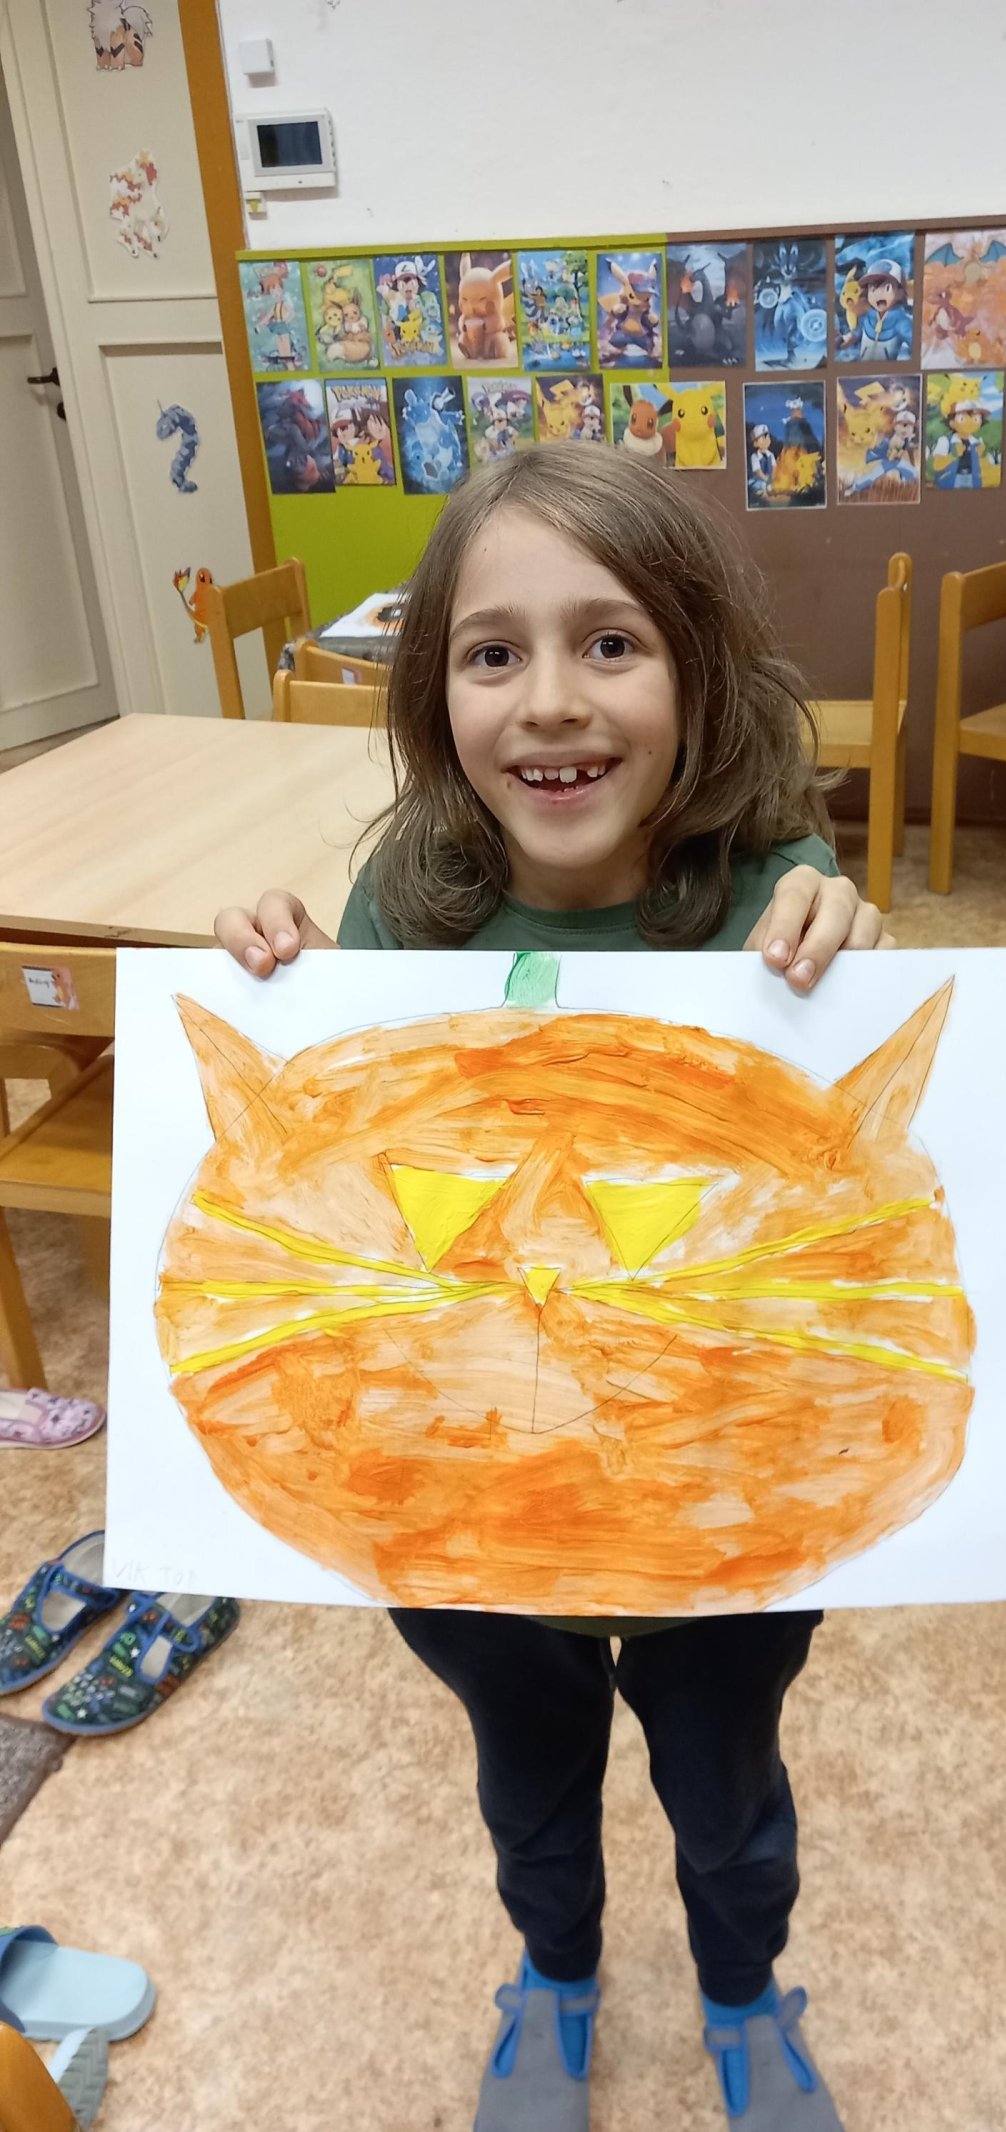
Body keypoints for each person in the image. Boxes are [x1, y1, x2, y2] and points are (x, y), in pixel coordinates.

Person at [216, 443, 888, 2132]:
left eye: (612, 641)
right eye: (493, 652)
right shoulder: (405, 908)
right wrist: (292, 994)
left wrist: (848, 941)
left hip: (713, 1516)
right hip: (476, 1513)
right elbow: (351, 1182)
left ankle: (744, 1992)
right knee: (528, 1783)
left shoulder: (769, 904)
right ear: (433, 692)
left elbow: (837, 1178)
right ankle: (557, 1977)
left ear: (699, 672)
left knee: (729, 1798)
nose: (551, 701)